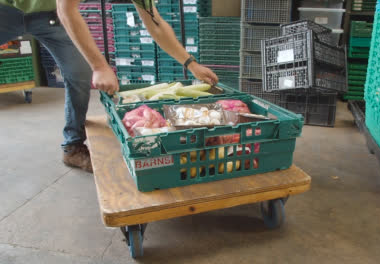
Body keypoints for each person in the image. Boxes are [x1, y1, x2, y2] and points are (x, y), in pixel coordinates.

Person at [0, 0, 218, 173]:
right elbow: (66, 8)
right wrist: (100, 65)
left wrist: (191, 63)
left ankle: (72, 146)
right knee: (90, 68)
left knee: (78, 75)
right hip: (7, 9)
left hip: (49, 15)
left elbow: (156, 23)